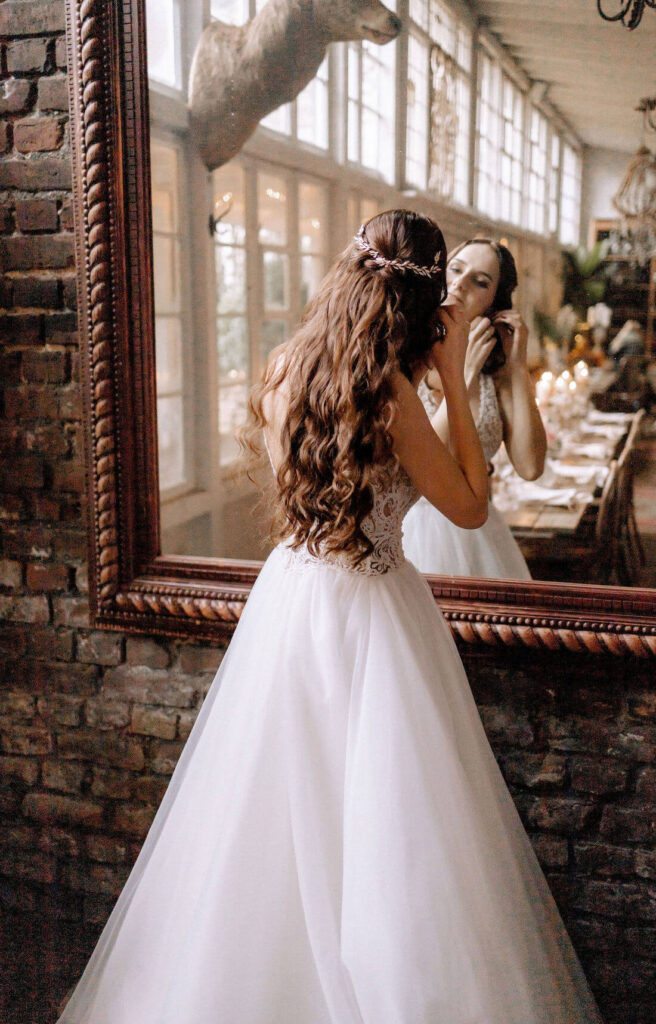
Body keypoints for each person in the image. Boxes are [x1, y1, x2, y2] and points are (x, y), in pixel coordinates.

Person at [57, 211, 601, 1024]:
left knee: (267, 805)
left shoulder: (286, 369)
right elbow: (468, 504)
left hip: (292, 596)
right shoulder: (390, 393)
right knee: (386, 821)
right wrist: (453, 374)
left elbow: (310, 500)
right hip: (374, 610)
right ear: (421, 301)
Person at [403, 237, 547, 579]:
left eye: (480, 281)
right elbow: (421, 469)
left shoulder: (495, 377)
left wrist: (516, 366)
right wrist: (461, 376)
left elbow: (529, 467)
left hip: (478, 540)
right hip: (408, 536)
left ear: (493, 303)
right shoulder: (403, 358)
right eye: (455, 269)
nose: (459, 283)